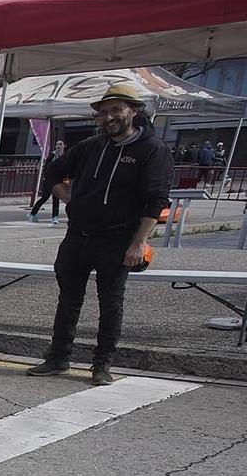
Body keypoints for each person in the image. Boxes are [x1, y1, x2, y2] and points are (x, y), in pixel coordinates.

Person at [27, 81, 173, 386]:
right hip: (78, 235)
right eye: (103, 112)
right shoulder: (90, 147)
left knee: (110, 303)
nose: (109, 118)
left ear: (133, 111)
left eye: (116, 110)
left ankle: (102, 364)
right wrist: (70, 199)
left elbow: (156, 200)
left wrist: (139, 242)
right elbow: (52, 172)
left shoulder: (151, 150)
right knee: (68, 299)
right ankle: (58, 358)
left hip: (118, 239)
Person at [29, 138, 66, 223]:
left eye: (60, 144)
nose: (58, 146)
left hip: (59, 180)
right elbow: (46, 167)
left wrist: (66, 182)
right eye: (57, 144)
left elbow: (67, 171)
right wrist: (45, 177)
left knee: (56, 198)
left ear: (64, 146)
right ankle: (32, 213)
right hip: (49, 179)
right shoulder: (52, 155)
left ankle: (55, 217)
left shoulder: (65, 157)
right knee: (45, 197)